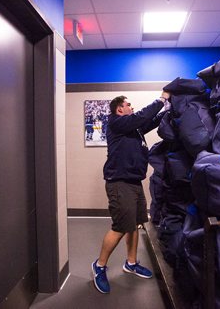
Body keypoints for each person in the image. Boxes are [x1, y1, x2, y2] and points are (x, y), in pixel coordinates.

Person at [92, 92, 171, 294]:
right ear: (120, 109)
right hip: (119, 183)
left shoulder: (133, 129)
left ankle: (131, 263)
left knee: (135, 224)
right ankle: (99, 266)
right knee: (120, 227)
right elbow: (142, 117)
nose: (132, 108)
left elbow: (150, 121)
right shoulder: (117, 123)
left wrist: (168, 110)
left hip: (134, 182)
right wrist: (161, 100)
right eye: (129, 105)